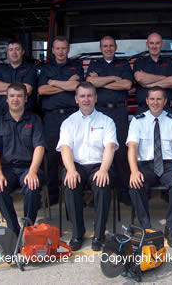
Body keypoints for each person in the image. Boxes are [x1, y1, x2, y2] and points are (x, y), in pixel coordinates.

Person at [56, 82, 118, 251]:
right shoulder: (68, 122)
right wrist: (70, 170)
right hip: (76, 165)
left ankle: (99, 234)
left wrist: (104, 170)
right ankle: (77, 233)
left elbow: (110, 147)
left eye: (89, 96)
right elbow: (65, 148)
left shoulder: (107, 121)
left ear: (96, 98)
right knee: (70, 183)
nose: (86, 99)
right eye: (82, 96)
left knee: (102, 182)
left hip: (99, 164)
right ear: (76, 99)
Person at [126, 87, 172, 248]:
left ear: (165, 101)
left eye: (159, 99)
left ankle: (171, 228)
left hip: (168, 164)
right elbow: (132, 147)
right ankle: (146, 228)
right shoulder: (137, 121)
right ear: (147, 101)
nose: (155, 102)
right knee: (135, 184)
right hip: (146, 165)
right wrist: (134, 172)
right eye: (152, 99)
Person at [0, 83, 46, 236]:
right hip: (7, 170)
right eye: (12, 96)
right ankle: (13, 229)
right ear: (6, 99)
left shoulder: (35, 120)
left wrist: (33, 172)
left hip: (28, 168)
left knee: (32, 187)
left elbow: (40, 147)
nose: (15, 99)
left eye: (19, 96)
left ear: (26, 99)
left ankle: (28, 229)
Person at [86, 36, 133, 205]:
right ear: (100, 48)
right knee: (100, 151)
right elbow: (90, 83)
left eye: (111, 46)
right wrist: (114, 78)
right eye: (105, 46)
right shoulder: (94, 64)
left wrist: (101, 81)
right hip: (99, 112)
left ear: (115, 47)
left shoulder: (124, 64)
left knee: (120, 153)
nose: (108, 48)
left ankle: (123, 192)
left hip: (119, 111)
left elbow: (127, 85)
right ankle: (98, 191)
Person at [38, 36, 84, 204]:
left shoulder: (76, 66)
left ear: (68, 49)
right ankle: (52, 196)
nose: (60, 51)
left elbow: (76, 87)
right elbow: (42, 90)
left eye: (63, 48)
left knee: (74, 154)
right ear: (52, 50)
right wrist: (66, 84)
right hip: (52, 117)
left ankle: (74, 194)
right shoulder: (46, 68)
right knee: (51, 158)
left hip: (71, 116)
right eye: (57, 48)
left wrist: (54, 83)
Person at [133, 32, 172, 113]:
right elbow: (139, 78)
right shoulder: (139, 62)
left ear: (162, 44)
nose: (154, 46)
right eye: (151, 43)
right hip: (144, 109)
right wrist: (165, 78)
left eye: (157, 43)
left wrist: (150, 85)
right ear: (147, 44)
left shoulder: (170, 62)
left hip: (166, 109)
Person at [0, 40, 37, 115]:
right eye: (11, 50)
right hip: (3, 115)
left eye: (17, 49)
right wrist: (20, 89)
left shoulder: (30, 69)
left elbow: (27, 89)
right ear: (8, 53)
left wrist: (3, 91)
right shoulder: (1, 69)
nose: (14, 52)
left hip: (25, 115)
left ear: (23, 52)